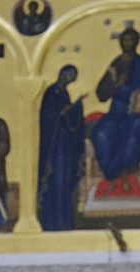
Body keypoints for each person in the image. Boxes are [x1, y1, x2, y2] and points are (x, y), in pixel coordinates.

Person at [92, 24, 140, 184]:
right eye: (124, 40)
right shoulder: (116, 63)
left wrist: (123, 90)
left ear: (136, 42)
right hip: (116, 113)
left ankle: (123, 168)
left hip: (138, 113)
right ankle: (110, 172)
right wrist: (113, 86)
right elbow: (101, 94)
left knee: (137, 128)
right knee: (102, 132)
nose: (127, 43)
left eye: (130, 40)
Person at [38, 66, 85, 231]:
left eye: (73, 78)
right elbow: (47, 115)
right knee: (55, 182)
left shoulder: (64, 93)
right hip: (54, 147)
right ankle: (52, 222)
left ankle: (65, 221)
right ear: (62, 74)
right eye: (70, 76)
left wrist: (75, 107)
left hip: (64, 145)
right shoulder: (52, 92)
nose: (71, 80)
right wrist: (63, 111)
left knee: (64, 182)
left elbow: (69, 119)